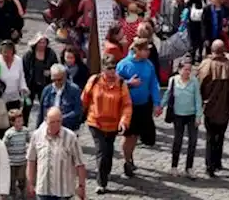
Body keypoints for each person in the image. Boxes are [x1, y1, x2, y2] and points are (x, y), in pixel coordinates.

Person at [81, 54, 132, 194]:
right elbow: (84, 98)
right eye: (109, 68)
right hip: (95, 122)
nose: (112, 71)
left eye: (114, 68)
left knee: (108, 152)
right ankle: (101, 183)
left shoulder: (121, 83)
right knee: (102, 151)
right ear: (103, 68)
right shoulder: (94, 80)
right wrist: (81, 114)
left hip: (113, 124)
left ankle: (106, 172)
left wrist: (123, 121)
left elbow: (127, 105)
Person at [115, 38, 162, 174]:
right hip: (128, 107)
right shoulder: (123, 65)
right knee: (128, 135)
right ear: (137, 50)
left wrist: (156, 103)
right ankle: (126, 160)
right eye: (146, 49)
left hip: (144, 105)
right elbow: (116, 84)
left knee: (135, 135)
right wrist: (129, 83)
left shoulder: (149, 64)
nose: (148, 52)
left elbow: (153, 84)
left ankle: (130, 157)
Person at [27, 107, 88, 200]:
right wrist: (30, 183)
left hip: (63, 192)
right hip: (43, 190)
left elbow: (80, 164)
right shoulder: (37, 135)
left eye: (58, 121)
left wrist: (81, 186)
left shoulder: (70, 137)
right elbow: (31, 160)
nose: (56, 125)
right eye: (52, 122)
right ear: (46, 120)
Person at [198, 39, 229, 178]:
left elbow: (200, 84)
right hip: (225, 106)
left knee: (210, 136)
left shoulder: (206, 64)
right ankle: (217, 162)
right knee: (220, 135)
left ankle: (210, 165)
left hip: (209, 105)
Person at [167, 56, 202, 175]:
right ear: (179, 70)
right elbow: (168, 95)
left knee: (192, 141)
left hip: (191, 115)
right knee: (178, 140)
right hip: (178, 115)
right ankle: (174, 166)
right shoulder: (173, 80)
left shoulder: (194, 81)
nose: (188, 72)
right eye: (185, 69)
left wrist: (198, 115)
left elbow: (198, 99)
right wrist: (159, 106)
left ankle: (189, 167)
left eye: (189, 70)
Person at [37, 63, 83, 131]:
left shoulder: (74, 90)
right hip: (48, 128)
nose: (56, 82)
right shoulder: (46, 90)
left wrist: (59, 119)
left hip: (68, 128)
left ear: (65, 77)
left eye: (59, 80)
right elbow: (40, 113)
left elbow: (77, 111)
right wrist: (38, 129)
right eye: (53, 80)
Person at [23, 34, 59, 114]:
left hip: (45, 84)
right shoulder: (29, 54)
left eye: (44, 42)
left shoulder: (51, 54)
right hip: (30, 84)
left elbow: (56, 67)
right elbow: (24, 69)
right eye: (40, 42)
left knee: (45, 106)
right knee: (27, 106)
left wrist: (50, 72)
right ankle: (23, 124)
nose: (42, 45)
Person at [3, 109, 30, 200]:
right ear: (12, 122)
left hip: (22, 161)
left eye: (21, 121)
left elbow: (30, 141)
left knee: (22, 180)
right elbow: (4, 145)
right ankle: (12, 195)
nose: (20, 123)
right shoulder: (9, 133)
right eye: (18, 121)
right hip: (12, 162)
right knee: (11, 180)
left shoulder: (25, 131)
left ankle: (22, 195)